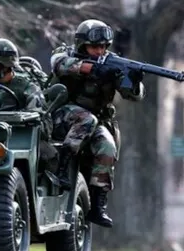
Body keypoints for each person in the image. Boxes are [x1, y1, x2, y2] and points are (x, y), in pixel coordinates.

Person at [49, 19, 145, 228]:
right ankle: (62, 167)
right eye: (94, 47)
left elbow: (132, 96)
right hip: (62, 115)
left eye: (103, 47)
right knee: (87, 119)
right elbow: (58, 64)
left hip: (93, 120)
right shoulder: (65, 54)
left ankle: (97, 204)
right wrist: (90, 69)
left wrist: (134, 80)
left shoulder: (112, 63)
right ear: (82, 45)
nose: (100, 51)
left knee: (107, 146)